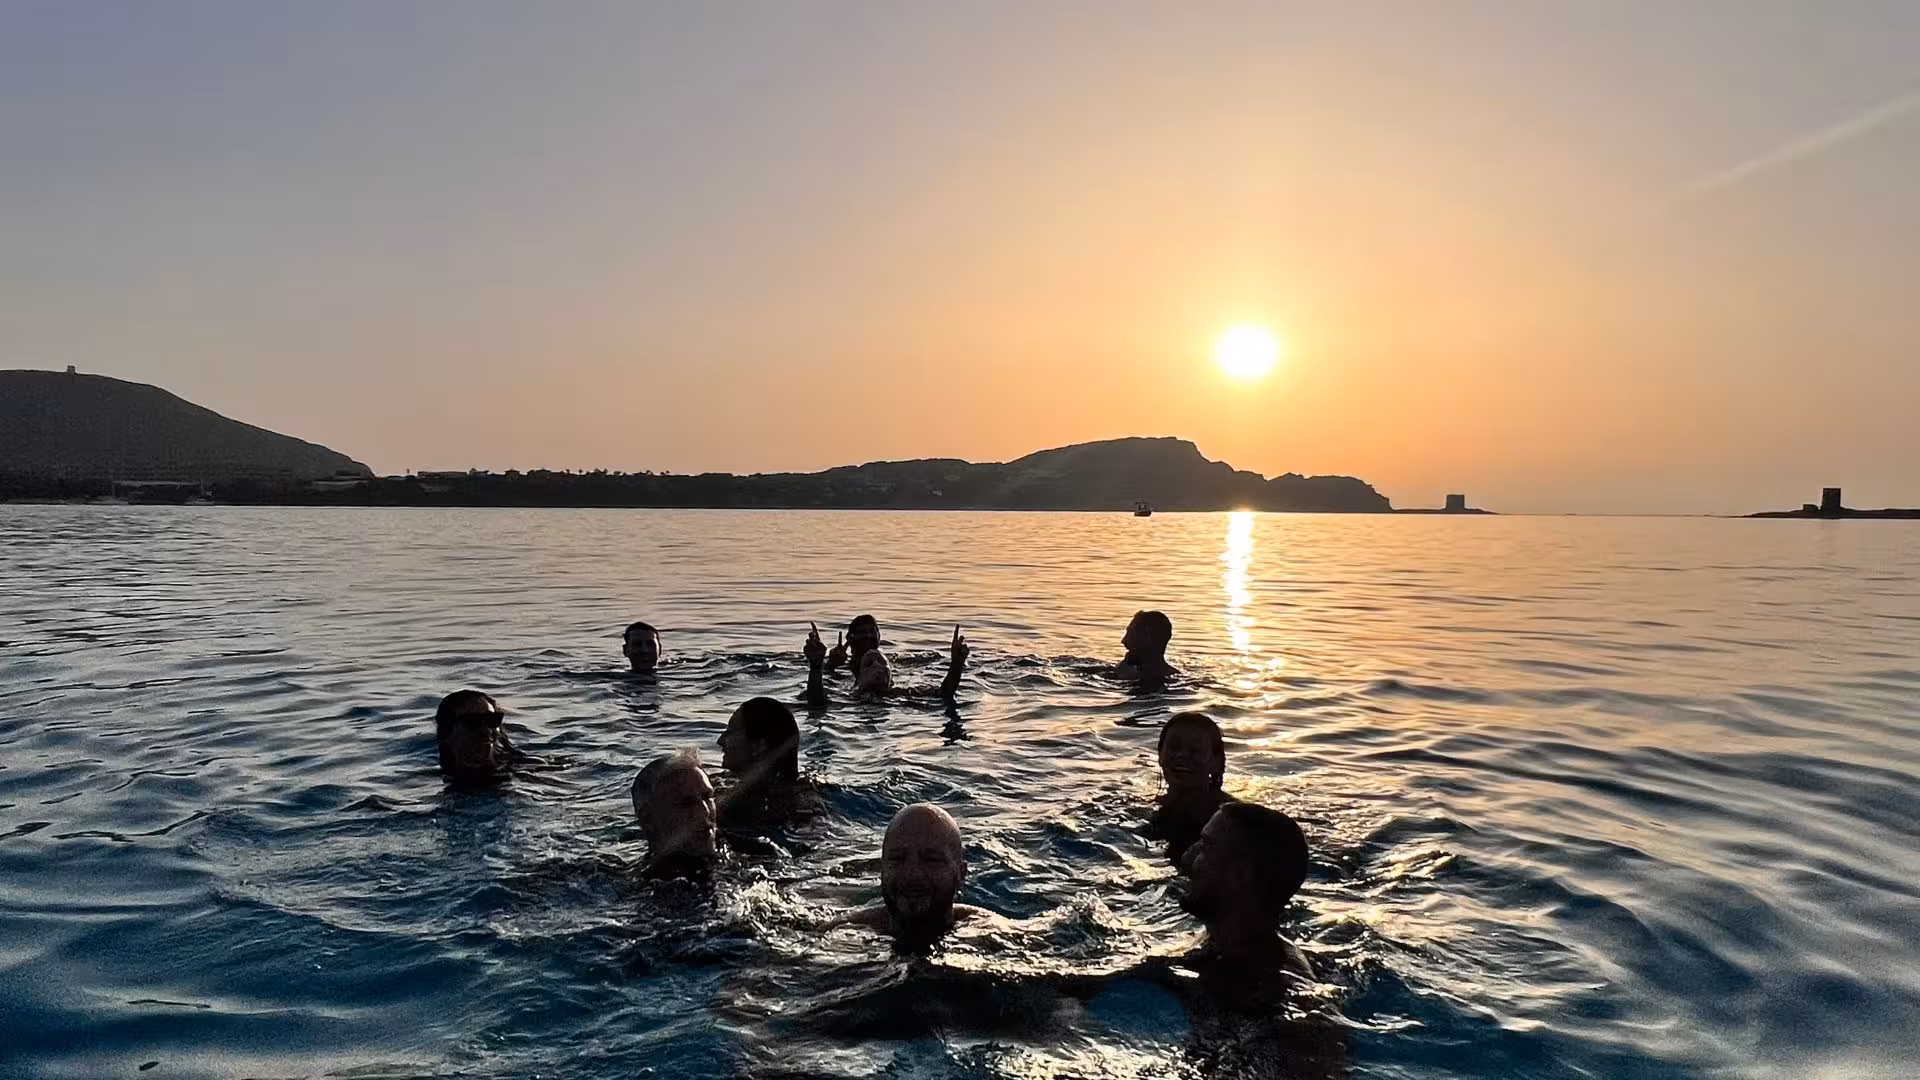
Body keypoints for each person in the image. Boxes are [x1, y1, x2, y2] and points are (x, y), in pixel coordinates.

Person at [1179, 802, 1316, 993]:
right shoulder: (1225, 943)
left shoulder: (1264, 987)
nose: (1186, 857)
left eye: (1206, 846)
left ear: (1242, 874)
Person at [839, 803, 989, 952]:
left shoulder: (990, 936)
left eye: (931, 860)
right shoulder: (840, 936)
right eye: (898, 859)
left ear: (961, 874)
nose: (912, 874)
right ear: (882, 869)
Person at [1145, 712, 1237, 864]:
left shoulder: (1228, 820)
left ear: (1216, 762)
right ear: (1160, 755)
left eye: (1195, 750)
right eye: (1174, 747)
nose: (1182, 755)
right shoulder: (1149, 808)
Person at [805, 623, 967, 707]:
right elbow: (816, 702)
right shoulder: (849, 696)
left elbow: (944, 694)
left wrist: (957, 665)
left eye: (882, 663)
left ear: (891, 677)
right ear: (858, 678)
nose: (878, 667)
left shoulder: (900, 693)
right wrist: (817, 667)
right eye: (869, 664)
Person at [714, 696, 818, 827]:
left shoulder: (752, 806)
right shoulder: (804, 790)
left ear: (759, 746)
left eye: (731, 731)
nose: (721, 740)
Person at [630, 749, 720, 879]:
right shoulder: (643, 887)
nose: (704, 812)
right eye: (686, 803)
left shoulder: (745, 848)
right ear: (648, 819)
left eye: (708, 797)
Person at [434, 689, 516, 786]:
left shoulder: (525, 771)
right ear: (447, 732)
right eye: (474, 721)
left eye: (493, 720)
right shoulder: (430, 780)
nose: (487, 730)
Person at [1115, 609, 1177, 683]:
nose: (1123, 641)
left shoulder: (1126, 673)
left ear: (1148, 638)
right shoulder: (1175, 677)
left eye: (1131, 634)